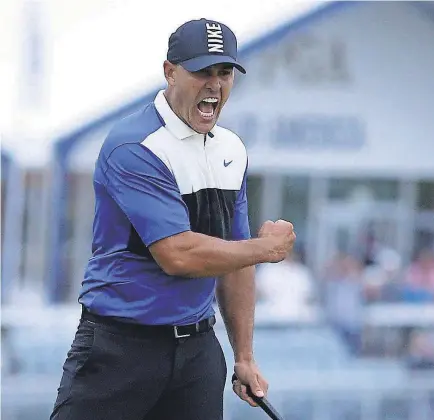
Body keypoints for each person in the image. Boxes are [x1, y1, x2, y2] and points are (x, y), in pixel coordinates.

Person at [50, 18, 296, 420]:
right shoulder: (135, 145)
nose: (214, 85)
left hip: (197, 353)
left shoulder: (231, 149)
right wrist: (265, 248)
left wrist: (245, 357)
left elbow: (234, 261)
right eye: (202, 71)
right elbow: (178, 255)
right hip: (120, 350)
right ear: (169, 71)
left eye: (224, 72)